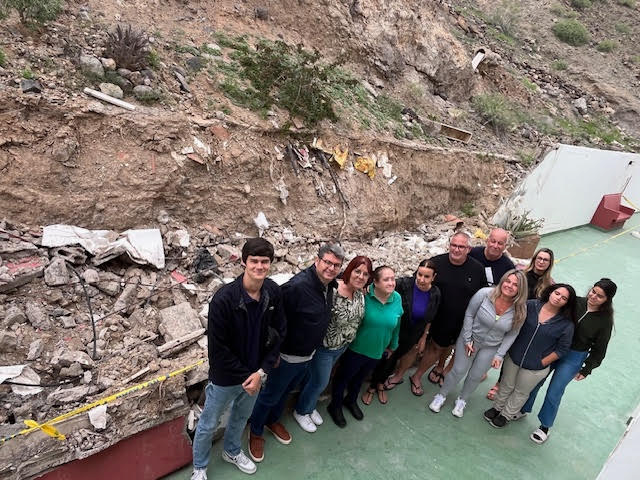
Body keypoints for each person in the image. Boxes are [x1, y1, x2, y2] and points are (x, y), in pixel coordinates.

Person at [190, 238, 286, 480]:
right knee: (208, 423)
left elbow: (280, 332)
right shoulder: (224, 300)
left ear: (270, 263)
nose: (259, 266)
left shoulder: (273, 292)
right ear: (243, 262)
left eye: (265, 261)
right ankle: (199, 468)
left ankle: (231, 451)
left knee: (241, 416)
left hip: (257, 374)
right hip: (227, 378)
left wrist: (261, 372)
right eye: (254, 261)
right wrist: (250, 376)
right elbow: (218, 350)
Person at [248, 243, 344, 463]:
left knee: (286, 391)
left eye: (336, 265)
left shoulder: (329, 286)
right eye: (327, 262)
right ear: (317, 260)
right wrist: (272, 353)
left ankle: (272, 420)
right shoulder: (297, 287)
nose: (331, 268)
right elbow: (272, 321)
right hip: (285, 357)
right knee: (270, 395)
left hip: (307, 355)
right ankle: (256, 431)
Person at [520, 278, 617, 444]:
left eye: (600, 296)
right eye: (593, 291)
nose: (593, 296)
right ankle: (523, 408)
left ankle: (545, 426)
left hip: (573, 357)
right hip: (554, 348)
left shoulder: (605, 321)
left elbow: (600, 349)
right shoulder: (575, 302)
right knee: (536, 381)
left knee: (554, 391)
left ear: (607, 300)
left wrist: (587, 369)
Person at [428, 270, 527, 417]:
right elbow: (469, 314)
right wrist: (467, 339)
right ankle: (441, 395)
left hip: (491, 347)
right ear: (502, 281)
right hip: (470, 340)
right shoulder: (485, 294)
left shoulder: (520, 309)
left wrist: (499, 355)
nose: (510, 286)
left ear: (521, 289)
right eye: (508, 281)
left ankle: (462, 400)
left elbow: (512, 333)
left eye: (515, 285)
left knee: (476, 375)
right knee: (458, 370)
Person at [293, 256, 373, 433]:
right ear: (349, 270)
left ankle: (309, 406)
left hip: (342, 347)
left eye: (365, 274)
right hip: (325, 347)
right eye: (357, 271)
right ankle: (301, 411)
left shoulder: (360, 293)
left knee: (316, 379)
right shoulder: (334, 289)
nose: (360, 276)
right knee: (320, 382)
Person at [484, 283, 577, 429]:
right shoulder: (530, 305)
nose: (558, 298)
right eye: (557, 293)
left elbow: (562, 349)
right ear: (551, 292)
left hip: (536, 367)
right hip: (513, 357)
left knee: (521, 392)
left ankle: (506, 415)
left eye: (564, 298)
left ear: (567, 303)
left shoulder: (566, 324)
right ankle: (497, 408)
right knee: (506, 384)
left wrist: (541, 362)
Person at [327, 266, 403, 427]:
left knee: (360, 378)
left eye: (393, 278)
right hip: (356, 349)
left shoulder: (396, 298)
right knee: (343, 378)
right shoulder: (364, 296)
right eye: (386, 279)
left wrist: (393, 345)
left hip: (378, 350)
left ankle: (351, 400)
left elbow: (397, 324)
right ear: (375, 282)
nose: (391, 283)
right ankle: (335, 405)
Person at [409, 232, 485, 392]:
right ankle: (417, 376)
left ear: (468, 249)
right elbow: (418, 282)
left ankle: (442, 369)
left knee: (452, 346)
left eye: (461, 247)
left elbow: (482, 294)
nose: (456, 249)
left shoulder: (477, 269)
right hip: (437, 317)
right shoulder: (437, 263)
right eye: (453, 245)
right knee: (435, 348)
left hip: (463, 319)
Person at [486, 247, 555, 400]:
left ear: (550, 264)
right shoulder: (521, 274)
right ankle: (484, 368)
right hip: (510, 315)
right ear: (534, 259)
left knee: (511, 353)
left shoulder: (549, 285)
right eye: (539, 258)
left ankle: (499, 383)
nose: (541, 262)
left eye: (545, 260)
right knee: (495, 343)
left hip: (527, 323)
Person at [371, 260, 441, 397]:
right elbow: (382, 286)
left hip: (413, 334)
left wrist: (424, 337)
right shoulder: (404, 284)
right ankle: (373, 385)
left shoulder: (435, 293)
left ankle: (381, 383)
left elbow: (430, 317)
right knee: (384, 357)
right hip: (394, 330)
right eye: (419, 274)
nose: (421, 279)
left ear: (433, 277)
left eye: (426, 276)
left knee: (395, 358)